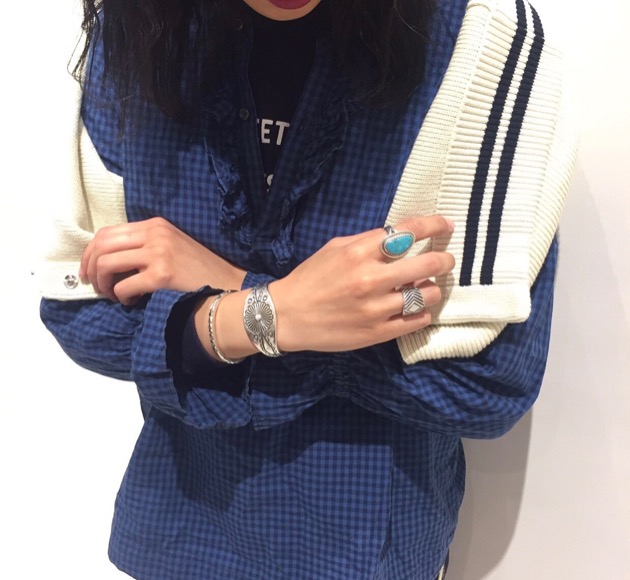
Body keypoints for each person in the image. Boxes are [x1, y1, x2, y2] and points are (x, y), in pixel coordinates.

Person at [37, 0, 575, 578]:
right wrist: (282, 312)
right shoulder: (137, 28)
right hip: (177, 532)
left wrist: (239, 298)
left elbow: (489, 383)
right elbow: (79, 309)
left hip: (367, 551)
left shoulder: (482, 43)